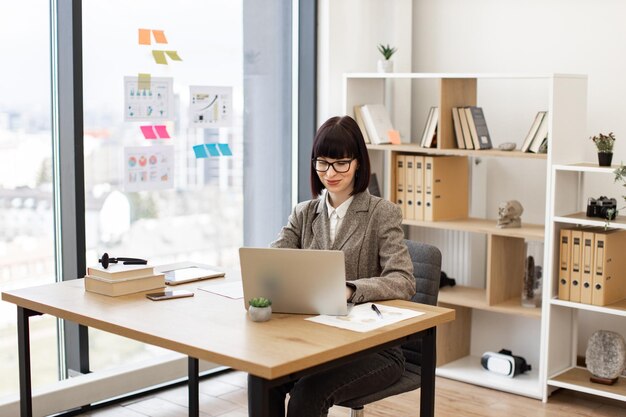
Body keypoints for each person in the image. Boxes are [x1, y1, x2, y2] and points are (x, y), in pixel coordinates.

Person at [269, 115, 416, 417]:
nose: (330, 172)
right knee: (263, 378)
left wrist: (351, 289)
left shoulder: (381, 213)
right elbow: (273, 264)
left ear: (358, 162)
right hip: (315, 339)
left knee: (307, 395)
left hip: (374, 348)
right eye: (322, 163)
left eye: (340, 163)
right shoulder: (304, 213)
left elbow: (403, 280)